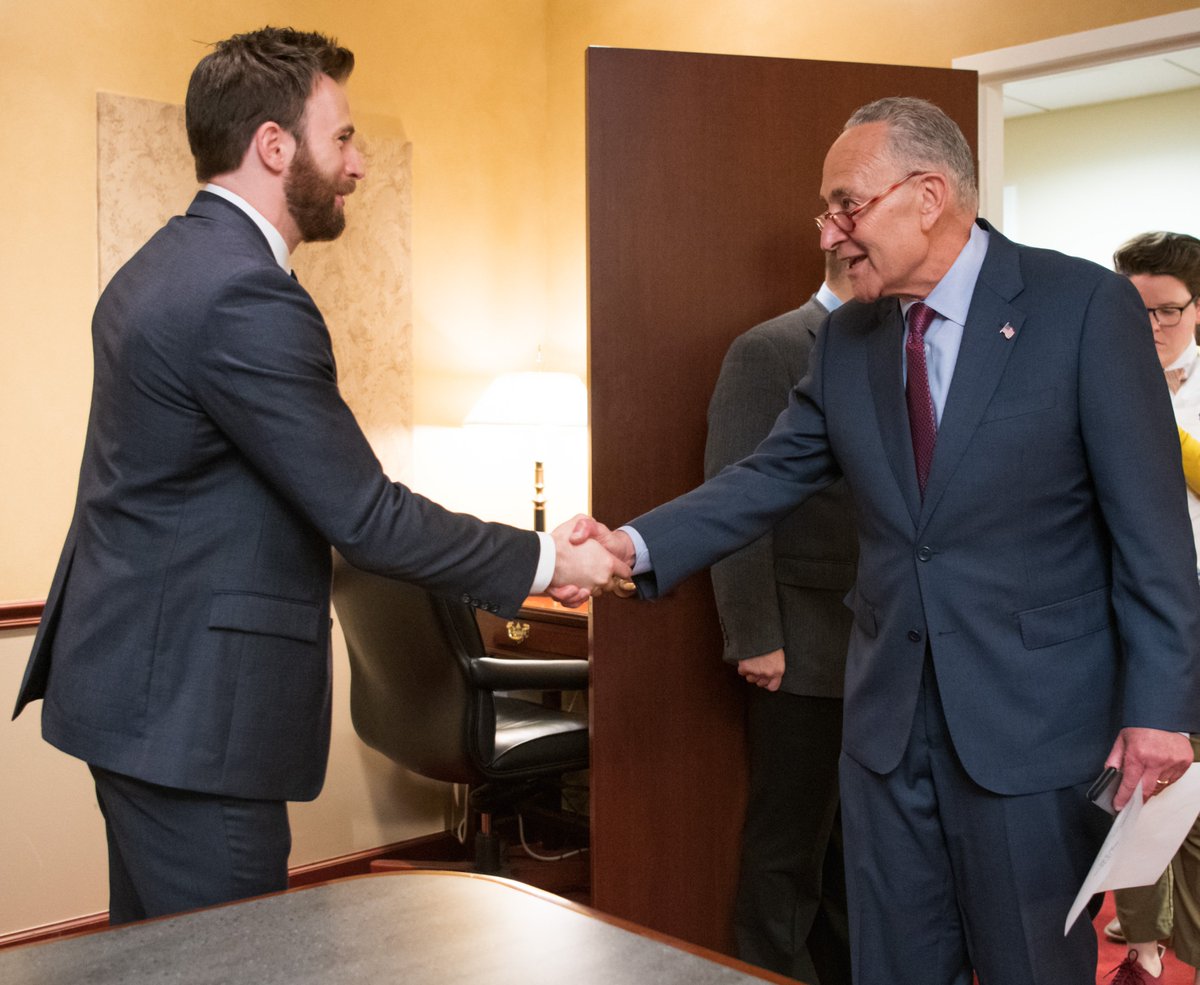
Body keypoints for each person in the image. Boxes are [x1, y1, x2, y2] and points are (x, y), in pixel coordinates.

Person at [572, 97, 1200, 985]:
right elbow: (765, 475)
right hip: (886, 729)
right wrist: (629, 547)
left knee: (1028, 965)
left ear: (928, 195)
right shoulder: (848, 338)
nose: (830, 233)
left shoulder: (1081, 306)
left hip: (1029, 727)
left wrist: (1161, 709)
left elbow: (1153, 528)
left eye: (847, 206)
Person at [11, 27, 626, 926]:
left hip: (135, 694)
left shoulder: (160, 266)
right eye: (341, 137)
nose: (358, 164)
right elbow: (366, 515)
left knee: (156, 958)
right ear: (273, 145)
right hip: (193, 720)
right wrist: (549, 557)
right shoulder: (243, 293)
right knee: (236, 962)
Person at [704, 251, 855, 984]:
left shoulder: (898, 352)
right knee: (786, 851)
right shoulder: (769, 349)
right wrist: (755, 635)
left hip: (878, 648)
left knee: (853, 855)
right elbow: (735, 501)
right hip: (800, 645)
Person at [1104, 230, 1200, 985]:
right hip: (1122, 623)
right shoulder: (1099, 380)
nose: (1152, 327)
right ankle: (1142, 944)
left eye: (1166, 311)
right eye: (1134, 313)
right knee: (1136, 789)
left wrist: (1156, 426)